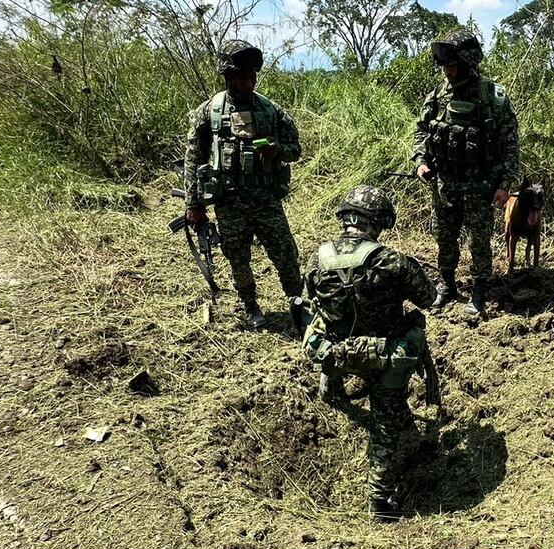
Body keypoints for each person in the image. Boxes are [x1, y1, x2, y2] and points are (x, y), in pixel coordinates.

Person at [302, 186, 438, 521]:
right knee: (385, 425)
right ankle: (379, 502)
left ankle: (331, 387)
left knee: (324, 324)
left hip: (334, 352)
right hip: (384, 358)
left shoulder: (317, 258)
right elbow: (428, 297)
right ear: (377, 221)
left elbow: (313, 301)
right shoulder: (390, 260)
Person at [183, 39, 303, 328]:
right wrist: (193, 203)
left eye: (252, 76)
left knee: (286, 254)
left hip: (266, 199)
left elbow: (295, 150)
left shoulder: (271, 110)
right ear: (227, 76)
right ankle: (251, 307)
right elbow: (193, 158)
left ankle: (298, 303)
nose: (248, 83)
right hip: (229, 202)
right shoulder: (210, 112)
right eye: (241, 77)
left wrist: (277, 150)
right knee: (238, 258)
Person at [412, 29, 521, 315]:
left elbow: (510, 143)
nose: (447, 71)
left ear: (468, 63)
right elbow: (421, 130)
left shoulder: (492, 95)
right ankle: (447, 286)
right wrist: (420, 161)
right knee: (444, 238)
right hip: (445, 184)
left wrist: (505, 184)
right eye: (444, 65)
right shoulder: (438, 94)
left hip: (480, 185)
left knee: (479, 241)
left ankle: (479, 290)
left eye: (452, 65)